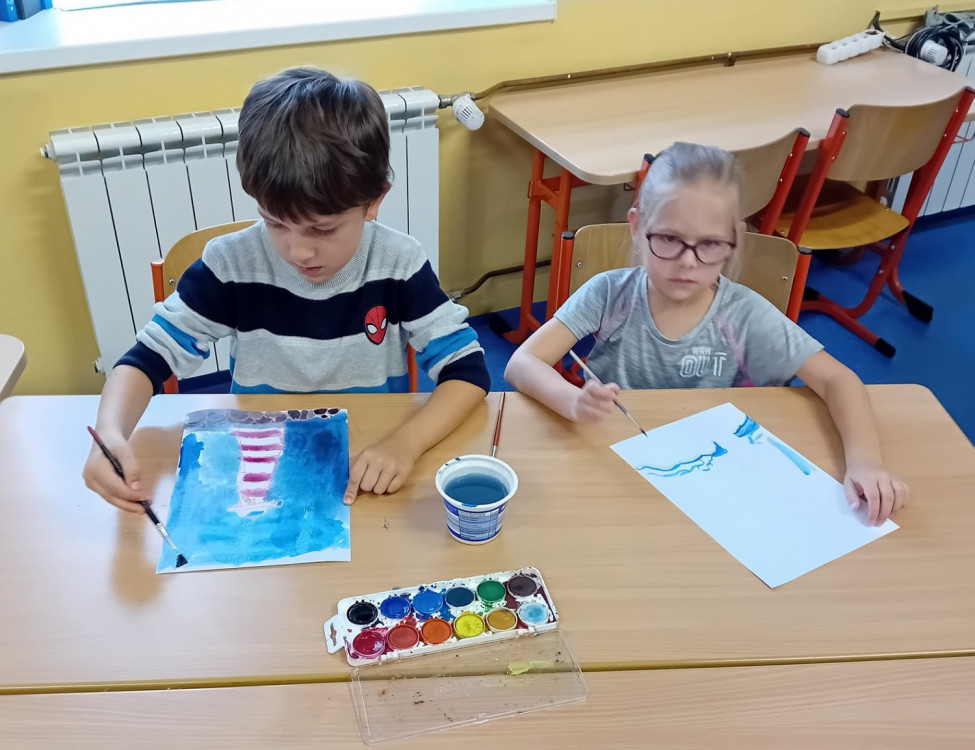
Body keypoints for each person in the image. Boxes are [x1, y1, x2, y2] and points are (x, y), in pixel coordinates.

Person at [84, 67, 490, 512]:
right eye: (275, 222)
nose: (299, 251)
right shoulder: (232, 265)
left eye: (322, 228)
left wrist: (406, 444)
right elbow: (146, 359)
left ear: (374, 200)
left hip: (365, 464)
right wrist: (109, 433)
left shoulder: (398, 263)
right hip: (259, 461)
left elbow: (468, 372)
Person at [504, 142, 907, 525]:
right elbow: (522, 363)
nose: (688, 262)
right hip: (618, 474)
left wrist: (865, 461)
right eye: (669, 239)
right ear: (637, 227)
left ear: (734, 242)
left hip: (718, 484)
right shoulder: (610, 293)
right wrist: (572, 401)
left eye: (710, 244)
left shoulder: (744, 314)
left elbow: (838, 380)